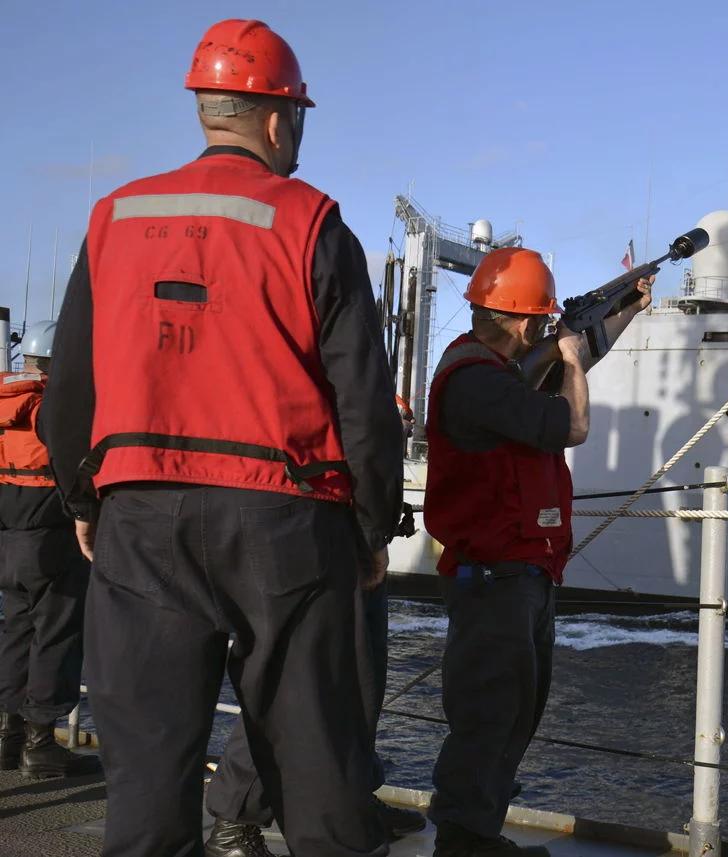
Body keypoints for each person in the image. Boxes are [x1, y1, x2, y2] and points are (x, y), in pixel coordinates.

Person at [42, 18, 405, 857]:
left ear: (207, 111)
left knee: (146, 776)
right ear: (278, 119)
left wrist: (85, 500)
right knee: (318, 764)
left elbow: (69, 388)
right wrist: (372, 527)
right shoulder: (312, 222)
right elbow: (363, 401)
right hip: (286, 521)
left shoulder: (114, 217)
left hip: (140, 517)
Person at [423, 247, 651, 857]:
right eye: (541, 321)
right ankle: (461, 841)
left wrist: (624, 309)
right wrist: (569, 356)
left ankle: (477, 833)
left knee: (514, 712)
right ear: (525, 324)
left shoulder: (496, 375)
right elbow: (572, 425)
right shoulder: (477, 382)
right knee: (490, 714)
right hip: (494, 576)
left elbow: (575, 356)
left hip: (517, 572)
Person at [203, 395, 425, 857]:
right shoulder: (329, 374)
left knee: (358, 685)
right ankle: (235, 821)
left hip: (332, 524)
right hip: (323, 530)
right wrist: (372, 533)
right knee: (291, 684)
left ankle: (351, 800)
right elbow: (360, 430)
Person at [0, 321, 98, 779]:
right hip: (52, 541)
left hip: (8, 541)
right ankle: (40, 746)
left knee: (17, 635)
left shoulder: (7, 401)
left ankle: (8, 739)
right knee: (56, 637)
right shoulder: (53, 408)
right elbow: (77, 464)